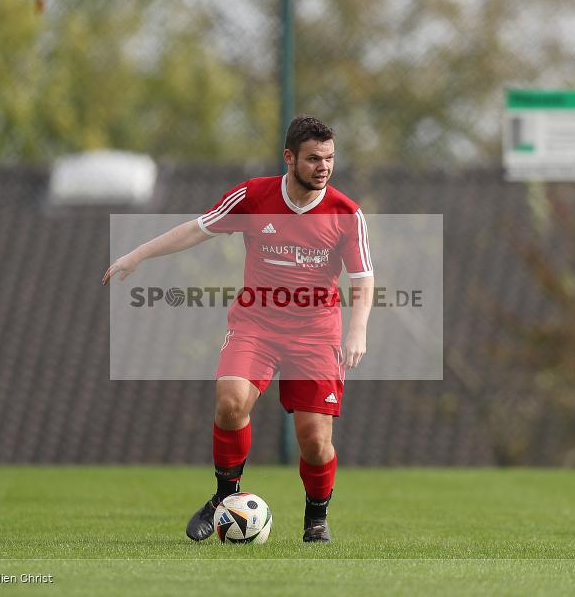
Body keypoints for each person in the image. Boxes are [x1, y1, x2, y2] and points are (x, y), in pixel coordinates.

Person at [103, 116, 374, 543]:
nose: (323, 167)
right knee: (230, 402)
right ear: (289, 158)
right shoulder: (252, 196)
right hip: (256, 326)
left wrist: (357, 331)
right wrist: (138, 254)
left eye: (329, 158)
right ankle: (223, 498)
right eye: (313, 159)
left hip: (316, 335)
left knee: (314, 440)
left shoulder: (347, 214)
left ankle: (316, 517)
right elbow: (197, 229)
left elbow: (363, 279)